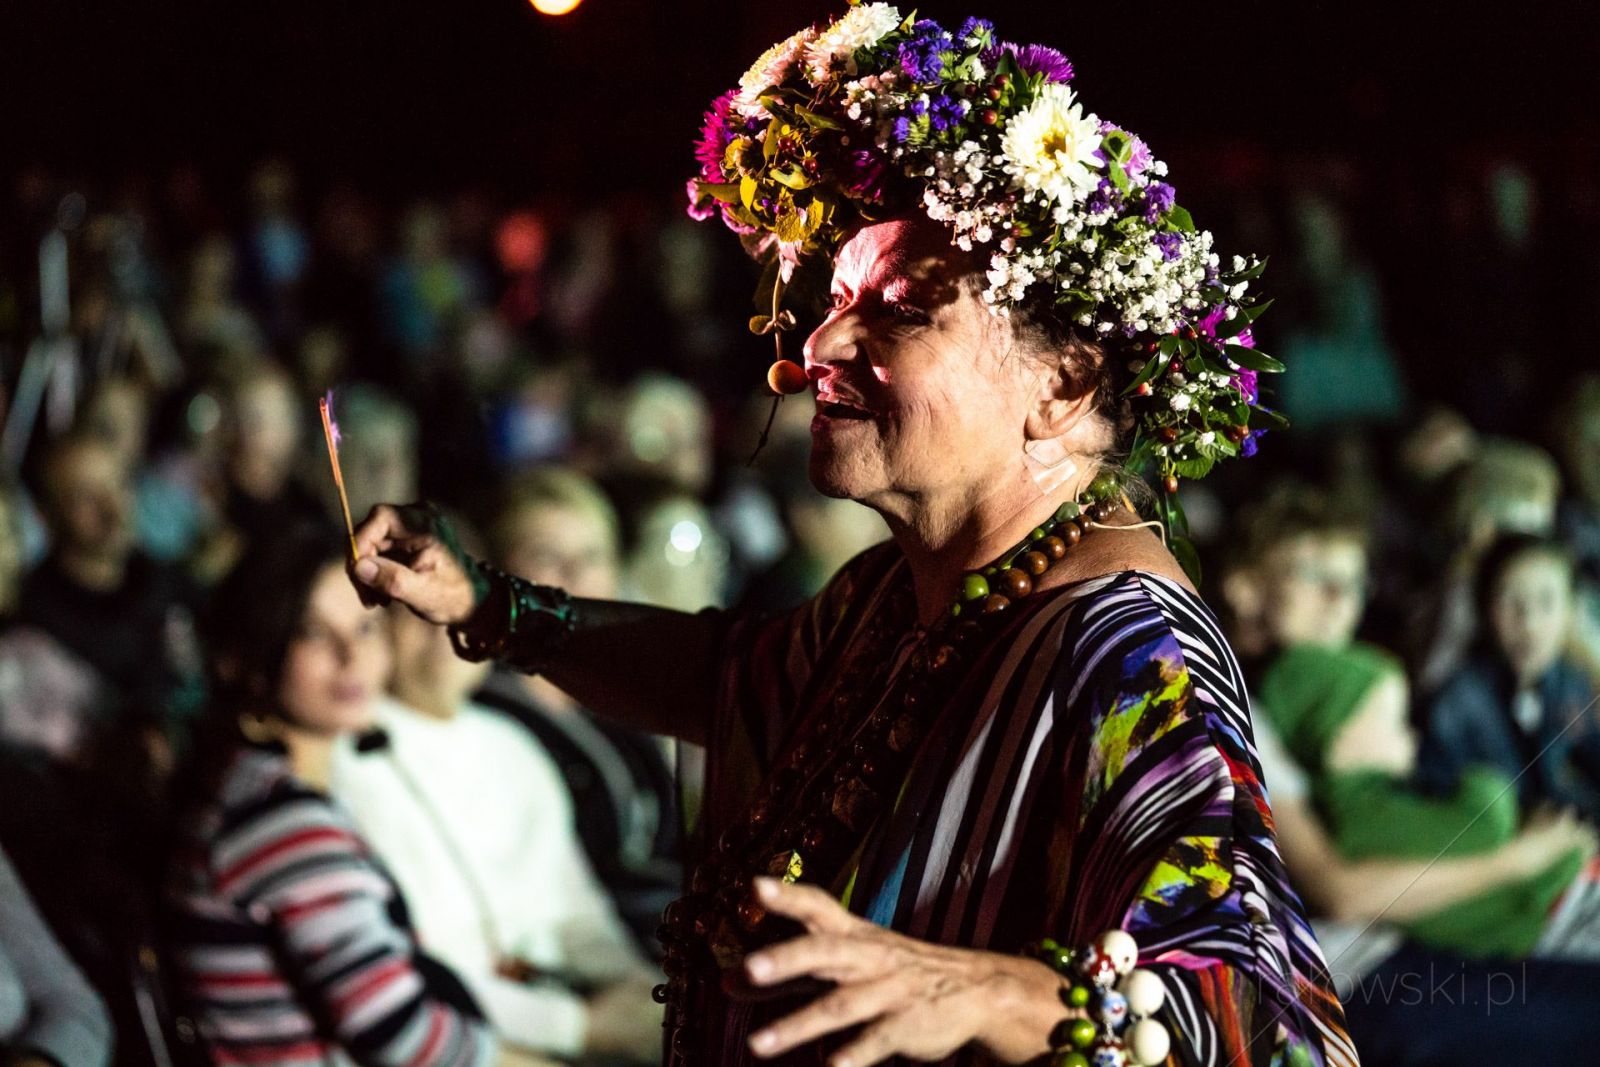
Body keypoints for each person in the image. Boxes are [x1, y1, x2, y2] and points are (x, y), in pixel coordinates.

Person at [347, 12, 1353, 1067]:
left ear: (1061, 385)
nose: (820, 343)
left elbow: (1251, 1009)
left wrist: (977, 987)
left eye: (904, 310)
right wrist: (492, 605)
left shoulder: (1128, 649)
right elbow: (731, 679)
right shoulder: (901, 591)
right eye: (835, 298)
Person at [164, 522, 513, 1067]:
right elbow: (408, 1043)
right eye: (313, 633)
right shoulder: (280, 822)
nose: (352, 656)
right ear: (249, 655)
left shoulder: (247, 784)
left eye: (366, 628)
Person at [333, 595, 664, 1064]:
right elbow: (419, 970)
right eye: (416, 615)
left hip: (573, 1008)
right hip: (472, 1039)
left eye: (453, 613)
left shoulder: (513, 744)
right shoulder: (347, 756)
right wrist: (578, 1028)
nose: (439, 632)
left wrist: (639, 991)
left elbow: (577, 914)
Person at [476, 469, 683, 955]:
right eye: (546, 556)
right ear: (499, 570)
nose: (576, 575)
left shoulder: (622, 698)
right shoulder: (488, 716)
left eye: (593, 556)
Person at [1419, 535, 1600, 820]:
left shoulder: (1570, 682)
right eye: (1510, 600)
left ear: (1570, 611)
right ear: (1486, 609)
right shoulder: (1456, 703)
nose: (1529, 622)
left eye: (1547, 602)